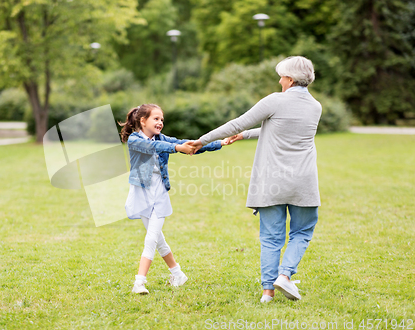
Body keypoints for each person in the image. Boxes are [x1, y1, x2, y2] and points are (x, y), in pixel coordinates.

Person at [191, 56, 322, 302]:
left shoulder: (275, 100)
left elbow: (236, 122)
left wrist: (202, 140)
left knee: (271, 237)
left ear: (291, 79)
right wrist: (245, 135)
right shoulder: (316, 106)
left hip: (272, 181)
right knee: (301, 232)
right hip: (302, 181)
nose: (280, 80)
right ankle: (285, 276)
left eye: (282, 76)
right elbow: (280, 127)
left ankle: (268, 292)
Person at [119, 103, 232, 294]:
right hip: (141, 193)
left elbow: (191, 143)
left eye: (162, 119)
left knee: (151, 238)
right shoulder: (134, 140)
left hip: (159, 193)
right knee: (158, 239)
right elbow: (154, 146)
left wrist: (220, 142)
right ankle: (178, 274)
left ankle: (139, 282)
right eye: (156, 118)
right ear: (143, 120)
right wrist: (177, 147)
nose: (160, 122)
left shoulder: (163, 138)